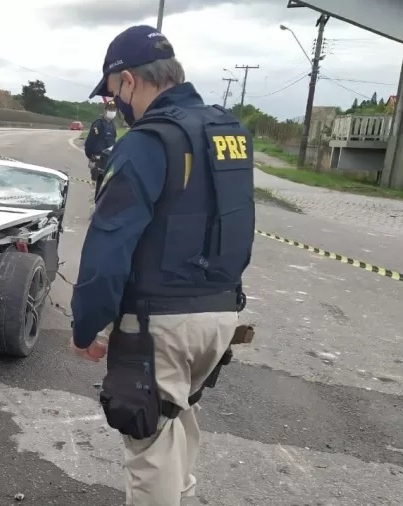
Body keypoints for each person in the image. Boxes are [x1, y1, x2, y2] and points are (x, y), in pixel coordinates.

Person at [68, 25, 254, 506]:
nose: (116, 107)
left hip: (160, 326)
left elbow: (108, 248)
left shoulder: (148, 142)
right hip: (219, 316)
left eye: (113, 95)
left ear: (128, 81)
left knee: (147, 448)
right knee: (173, 425)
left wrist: (88, 325)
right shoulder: (226, 131)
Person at [83, 100, 119, 196]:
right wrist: (91, 157)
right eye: (110, 109)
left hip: (108, 162)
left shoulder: (113, 126)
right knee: (95, 191)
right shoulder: (98, 124)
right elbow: (89, 143)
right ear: (105, 110)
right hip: (97, 161)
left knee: (105, 192)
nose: (112, 111)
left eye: (114, 109)